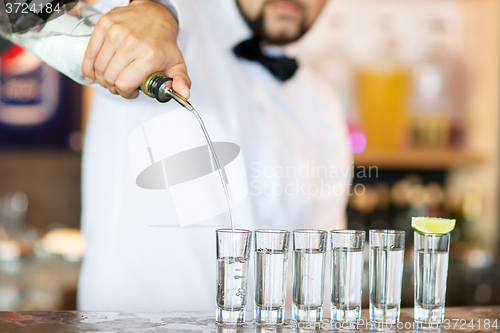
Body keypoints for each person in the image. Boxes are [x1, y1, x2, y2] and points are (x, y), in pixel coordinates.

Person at [78, 0, 351, 311]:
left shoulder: (322, 106)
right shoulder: (168, 30)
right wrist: (154, 10)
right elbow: (113, 26)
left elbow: (321, 270)